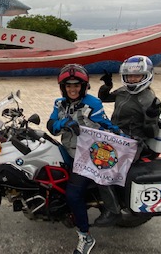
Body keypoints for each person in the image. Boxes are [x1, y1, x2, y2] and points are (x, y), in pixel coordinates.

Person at [47, 63, 122, 254]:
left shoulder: (93, 104)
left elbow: (106, 126)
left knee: (73, 194)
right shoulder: (59, 103)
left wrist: (124, 138)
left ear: (84, 86)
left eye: (77, 85)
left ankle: (85, 236)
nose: (73, 89)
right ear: (63, 88)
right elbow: (51, 124)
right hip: (67, 150)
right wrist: (64, 122)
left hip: (88, 155)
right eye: (69, 85)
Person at [98, 55, 161, 159]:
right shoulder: (123, 91)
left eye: (137, 76)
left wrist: (151, 118)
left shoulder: (150, 100)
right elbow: (104, 98)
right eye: (129, 76)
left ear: (147, 76)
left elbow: (152, 133)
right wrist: (107, 86)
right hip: (115, 136)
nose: (132, 79)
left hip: (133, 143)